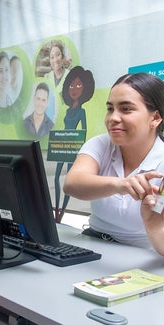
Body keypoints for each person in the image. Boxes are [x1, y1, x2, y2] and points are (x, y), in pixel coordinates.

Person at [63, 73, 164, 260]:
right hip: (94, 246)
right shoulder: (101, 144)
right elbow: (72, 184)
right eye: (110, 109)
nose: (113, 118)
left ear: (155, 118)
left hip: (144, 258)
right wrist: (120, 184)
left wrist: (155, 229)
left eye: (126, 109)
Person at [54, 66, 95, 222]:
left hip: (72, 147)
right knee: (56, 177)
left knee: (68, 180)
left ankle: (63, 211)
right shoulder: (67, 111)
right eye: (71, 85)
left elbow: (83, 130)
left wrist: (78, 146)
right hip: (61, 146)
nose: (74, 89)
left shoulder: (81, 112)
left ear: (85, 88)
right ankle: (56, 210)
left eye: (78, 85)